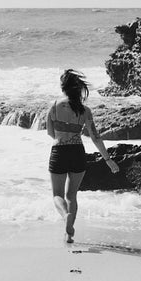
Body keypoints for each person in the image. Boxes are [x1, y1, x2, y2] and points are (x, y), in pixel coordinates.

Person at [45, 69, 119, 243]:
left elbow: (50, 133)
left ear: (63, 88)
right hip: (78, 153)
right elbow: (95, 137)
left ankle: (66, 218)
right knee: (72, 195)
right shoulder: (85, 111)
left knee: (57, 194)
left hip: (59, 152)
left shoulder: (54, 106)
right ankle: (68, 234)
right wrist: (108, 160)